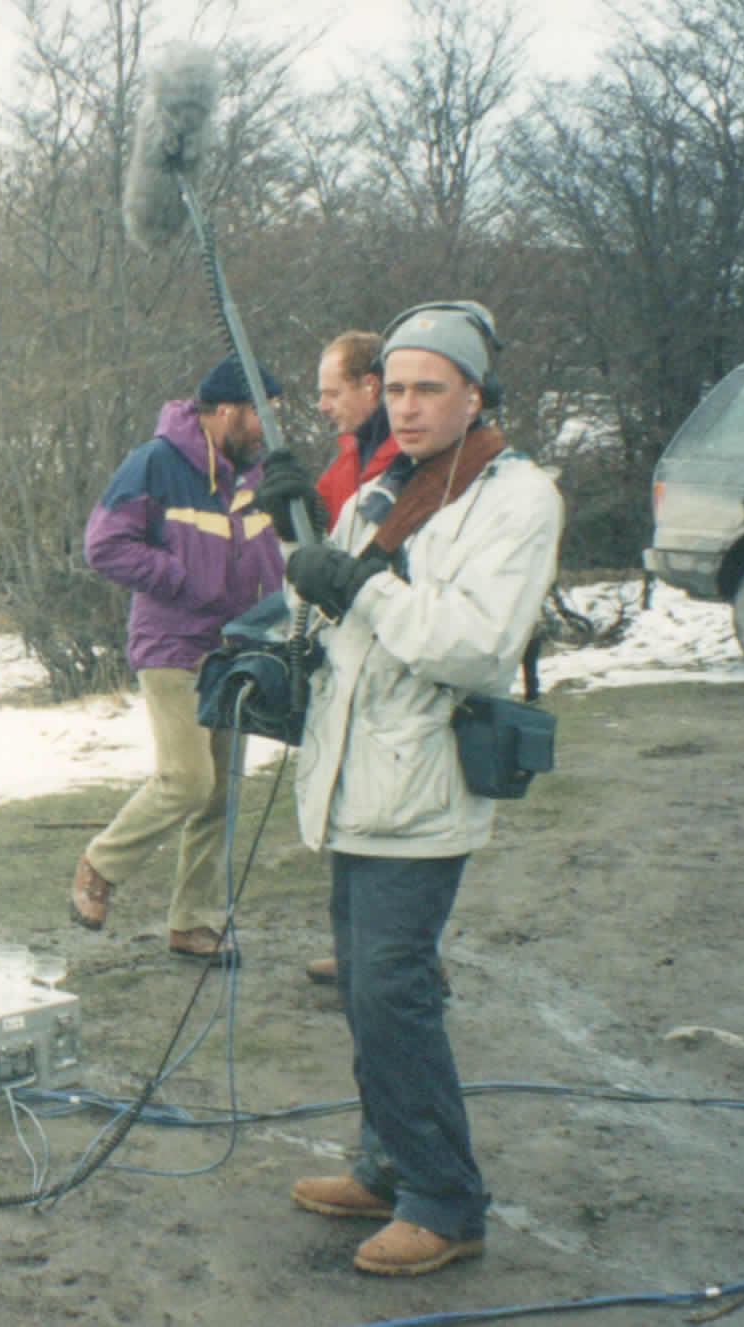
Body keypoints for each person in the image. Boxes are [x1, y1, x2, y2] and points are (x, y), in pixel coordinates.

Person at [281, 303, 562, 1276]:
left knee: (391, 992)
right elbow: (321, 611)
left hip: (424, 780)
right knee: (365, 989)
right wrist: (301, 531)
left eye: (425, 387)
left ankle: (443, 1199)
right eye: (393, 386)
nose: (402, 406)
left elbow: (475, 647)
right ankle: (386, 1160)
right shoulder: (377, 488)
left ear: (471, 393)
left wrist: (355, 585)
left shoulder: (515, 499)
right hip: (350, 778)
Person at [70, 355, 287, 958]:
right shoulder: (156, 463)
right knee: (188, 782)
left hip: (236, 648)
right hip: (172, 645)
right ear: (226, 411)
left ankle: (193, 922)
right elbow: (105, 545)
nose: (269, 429)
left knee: (219, 795)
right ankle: (99, 866)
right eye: (260, 415)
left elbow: (268, 550)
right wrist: (180, 576)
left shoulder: (254, 474)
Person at [257, 329, 408, 987]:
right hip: (350, 658)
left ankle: (403, 958)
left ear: (369, 387)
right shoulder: (353, 458)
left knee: (393, 819)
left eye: (330, 391)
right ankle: (359, 951)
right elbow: (324, 547)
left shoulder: (408, 463)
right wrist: (295, 516)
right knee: (348, 804)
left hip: (395, 659)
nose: (321, 405)